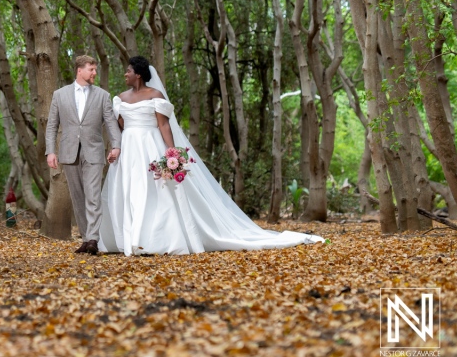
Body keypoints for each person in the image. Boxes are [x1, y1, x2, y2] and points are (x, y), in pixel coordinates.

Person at [98, 56, 324, 256]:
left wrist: (172, 153)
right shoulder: (121, 98)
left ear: (138, 73)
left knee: (156, 191)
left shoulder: (155, 95)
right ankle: (130, 239)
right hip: (129, 149)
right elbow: (120, 125)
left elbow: (164, 125)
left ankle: (153, 239)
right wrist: (115, 148)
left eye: (128, 71)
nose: (125, 74)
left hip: (150, 145)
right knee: (131, 190)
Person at [46, 55, 122, 255]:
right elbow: (52, 125)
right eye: (91, 69)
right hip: (68, 152)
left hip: (94, 152)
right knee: (78, 197)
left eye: (95, 69)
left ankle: (93, 239)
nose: (94, 73)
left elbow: (111, 122)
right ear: (80, 70)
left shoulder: (102, 96)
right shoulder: (59, 95)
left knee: (93, 195)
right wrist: (50, 151)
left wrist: (116, 145)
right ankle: (85, 238)